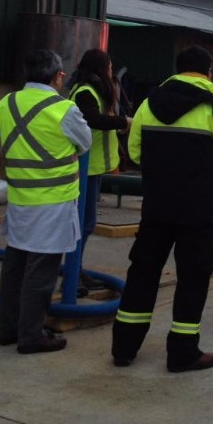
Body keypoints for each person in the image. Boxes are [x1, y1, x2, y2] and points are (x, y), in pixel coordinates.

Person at [111, 46, 213, 372]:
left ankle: (124, 348)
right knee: (192, 278)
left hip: (157, 207)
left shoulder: (148, 105)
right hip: (199, 212)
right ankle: (182, 352)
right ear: (209, 73)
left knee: (143, 273)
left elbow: (135, 153)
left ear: (178, 69)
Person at [0, 49, 91, 354]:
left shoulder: (4, 104)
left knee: (15, 266)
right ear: (57, 76)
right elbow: (84, 143)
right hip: (53, 202)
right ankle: (31, 336)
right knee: (42, 271)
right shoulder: (64, 109)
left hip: (20, 199)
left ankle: (10, 329)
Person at [68, 49, 131, 295]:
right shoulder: (86, 92)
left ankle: (77, 270)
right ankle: (73, 274)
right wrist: (123, 122)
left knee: (86, 223)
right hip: (85, 167)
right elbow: (92, 120)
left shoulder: (92, 91)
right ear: (100, 68)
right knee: (84, 223)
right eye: (109, 67)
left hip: (92, 168)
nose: (111, 72)